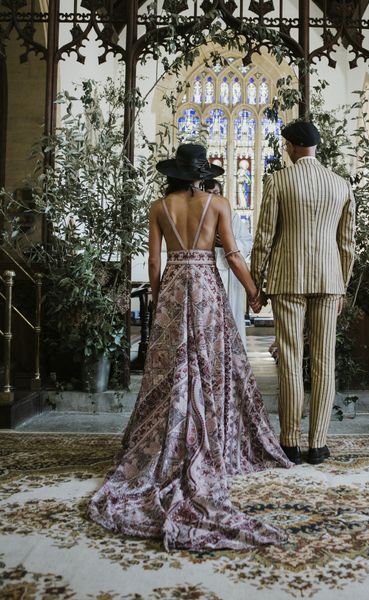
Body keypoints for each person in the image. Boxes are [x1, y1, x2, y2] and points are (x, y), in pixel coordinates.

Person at [88, 143, 292, 551]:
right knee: (210, 361)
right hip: (205, 288)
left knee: (172, 367)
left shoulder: (159, 206)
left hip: (175, 286)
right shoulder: (218, 203)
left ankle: (170, 437)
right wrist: (254, 292)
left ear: (174, 174)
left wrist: (162, 297)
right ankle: (211, 435)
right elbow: (232, 254)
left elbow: (152, 262)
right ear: (202, 173)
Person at [250, 121, 356, 466]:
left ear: (294, 146)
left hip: (288, 279)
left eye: (286, 145)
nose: (286, 150)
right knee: (325, 362)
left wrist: (257, 282)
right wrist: (342, 285)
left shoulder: (279, 181)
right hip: (329, 281)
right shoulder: (341, 185)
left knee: (291, 360)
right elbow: (347, 245)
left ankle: (291, 442)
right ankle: (319, 444)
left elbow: (264, 236)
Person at [204, 178, 253, 349]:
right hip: (207, 270)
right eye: (208, 194)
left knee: (231, 315)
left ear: (222, 195)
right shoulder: (199, 215)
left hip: (229, 272)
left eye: (216, 193)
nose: (212, 197)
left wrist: (228, 243)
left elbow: (247, 242)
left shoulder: (231, 216)